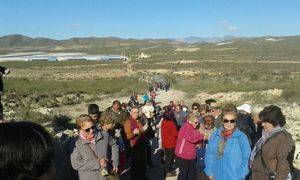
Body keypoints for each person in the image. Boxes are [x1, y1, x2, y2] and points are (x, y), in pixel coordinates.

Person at [250, 105, 295, 180]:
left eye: (265, 122)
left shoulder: (283, 138)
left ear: (273, 122)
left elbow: (283, 167)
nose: (262, 124)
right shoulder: (266, 135)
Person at [205, 110, 251, 180]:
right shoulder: (215, 135)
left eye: (232, 121)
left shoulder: (241, 137)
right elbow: (209, 154)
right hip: (216, 176)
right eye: (226, 121)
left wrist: (240, 175)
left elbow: (246, 158)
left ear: (235, 122)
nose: (229, 123)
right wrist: (210, 172)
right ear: (222, 121)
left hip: (234, 177)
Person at [71, 114, 119, 180]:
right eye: (87, 130)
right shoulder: (76, 143)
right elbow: (76, 164)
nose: (91, 131)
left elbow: (114, 145)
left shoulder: (104, 135)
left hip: (105, 176)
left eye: (93, 127)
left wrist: (115, 162)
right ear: (80, 130)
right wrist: (98, 163)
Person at [175, 113, 204, 180]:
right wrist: (202, 136)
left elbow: (196, 138)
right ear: (189, 121)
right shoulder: (185, 128)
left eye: (198, 123)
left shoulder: (194, 129)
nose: (197, 124)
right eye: (196, 123)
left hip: (191, 155)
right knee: (184, 173)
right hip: (183, 155)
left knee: (191, 173)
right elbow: (191, 138)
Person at [124, 106, 148, 180]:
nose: (136, 114)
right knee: (135, 165)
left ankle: (142, 177)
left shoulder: (138, 120)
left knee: (143, 163)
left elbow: (141, 131)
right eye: (134, 112)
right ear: (131, 113)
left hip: (142, 144)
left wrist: (145, 129)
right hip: (134, 146)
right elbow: (128, 136)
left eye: (137, 112)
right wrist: (134, 133)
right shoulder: (128, 122)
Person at [196, 115, 216, 180]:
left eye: (211, 125)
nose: (209, 127)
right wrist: (203, 138)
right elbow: (196, 141)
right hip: (202, 152)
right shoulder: (200, 128)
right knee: (202, 171)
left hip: (211, 153)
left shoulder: (215, 129)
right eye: (208, 125)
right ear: (204, 123)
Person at [161, 106, 178, 177]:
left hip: (165, 142)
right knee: (169, 158)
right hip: (171, 143)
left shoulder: (163, 121)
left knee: (168, 156)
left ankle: (168, 169)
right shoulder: (171, 123)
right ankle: (167, 171)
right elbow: (175, 134)